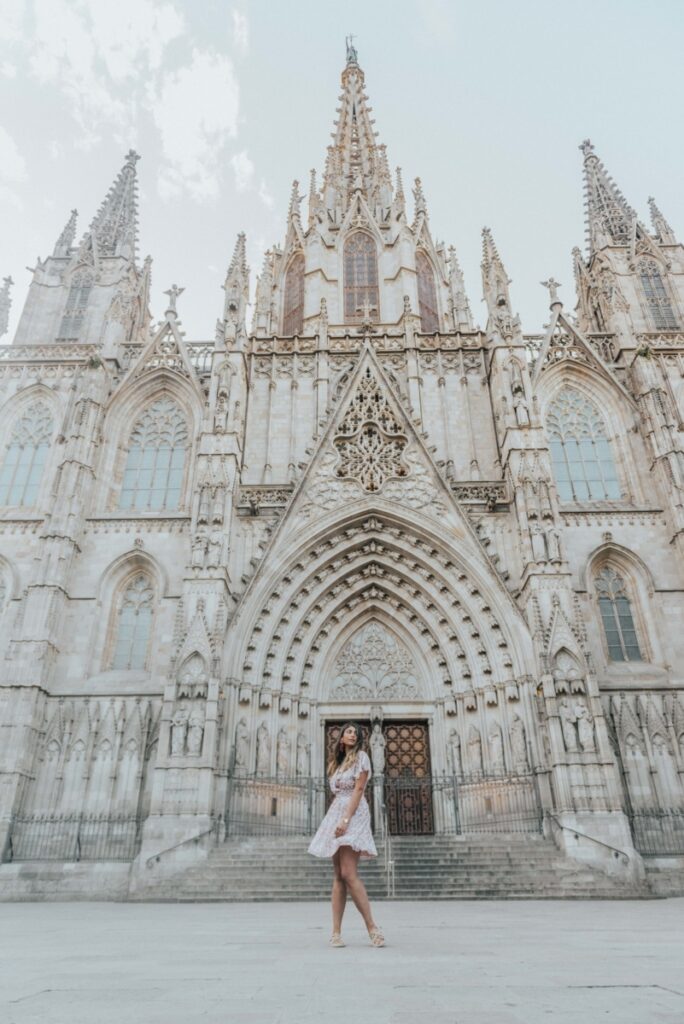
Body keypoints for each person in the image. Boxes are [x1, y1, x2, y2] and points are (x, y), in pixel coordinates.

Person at [307, 722, 384, 948]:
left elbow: (359, 789)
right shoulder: (337, 763)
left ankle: (372, 928)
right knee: (338, 875)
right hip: (336, 813)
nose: (353, 734)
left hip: (354, 814)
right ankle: (336, 933)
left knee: (349, 872)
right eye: (348, 731)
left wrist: (346, 819)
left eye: (355, 733)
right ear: (341, 737)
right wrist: (337, 818)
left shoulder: (362, 757)